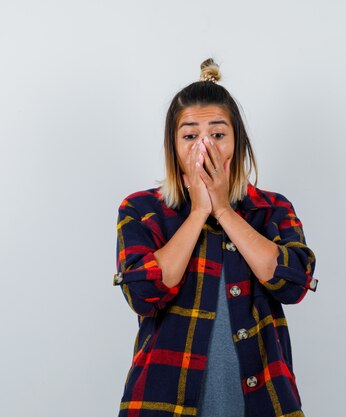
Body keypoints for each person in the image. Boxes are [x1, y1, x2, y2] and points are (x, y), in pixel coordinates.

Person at [113, 58, 318, 417]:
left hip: (262, 402)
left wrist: (223, 209)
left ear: (237, 142)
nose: (204, 147)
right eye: (190, 135)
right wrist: (198, 213)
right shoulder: (142, 209)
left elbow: (292, 285)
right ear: (173, 147)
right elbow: (144, 295)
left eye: (218, 135)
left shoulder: (270, 209)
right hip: (162, 403)